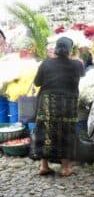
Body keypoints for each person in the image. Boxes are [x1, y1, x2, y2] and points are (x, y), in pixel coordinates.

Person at [31, 37, 84, 176]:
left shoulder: (46, 63)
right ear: (70, 50)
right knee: (66, 132)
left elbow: (37, 83)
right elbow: (82, 75)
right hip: (68, 103)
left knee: (45, 131)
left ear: (56, 49)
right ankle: (65, 167)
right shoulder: (77, 65)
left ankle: (44, 165)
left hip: (48, 102)